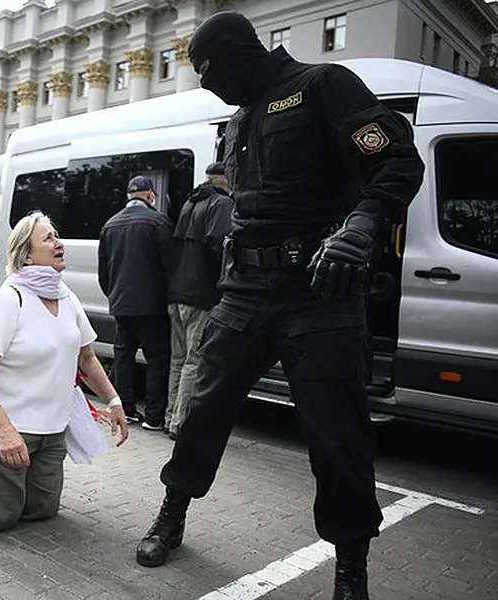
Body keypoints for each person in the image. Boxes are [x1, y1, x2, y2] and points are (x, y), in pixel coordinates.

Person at [135, 12, 426, 600]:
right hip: (245, 293)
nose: (205, 85)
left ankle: (351, 569)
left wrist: (364, 226)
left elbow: (397, 160)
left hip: (319, 295)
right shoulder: (238, 119)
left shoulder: (324, 86)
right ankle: (173, 512)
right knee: (202, 413)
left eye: (206, 71)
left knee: (339, 438)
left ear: (239, 54)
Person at [0, 211, 129, 532]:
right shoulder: (10, 301)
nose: (58, 242)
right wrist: (4, 430)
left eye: (56, 235)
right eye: (48, 238)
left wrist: (115, 400)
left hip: (52, 430)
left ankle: (1, 485)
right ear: (25, 254)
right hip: (6, 429)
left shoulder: (67, 297)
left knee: (41, 510)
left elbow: (87, 358)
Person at [164, 162, 234, 441]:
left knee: (178, 360)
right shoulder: (222, 205)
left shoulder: (189, 204)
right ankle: (180, 424)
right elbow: (222, 248)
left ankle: (171, 415)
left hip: (176, 294)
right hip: (201, 295)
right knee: (195, 360)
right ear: (226, 183)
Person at [98, 175, 173, 430]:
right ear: (151, 195)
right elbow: (170, 267)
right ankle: (153, 416)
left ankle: (126, 409)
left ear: (128, 196)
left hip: (121, 305)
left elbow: (103, 274)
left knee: (123, 358)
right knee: (157, 359)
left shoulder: (109, 225)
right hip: (152, 306)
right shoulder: (159, 222)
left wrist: (115, 295)